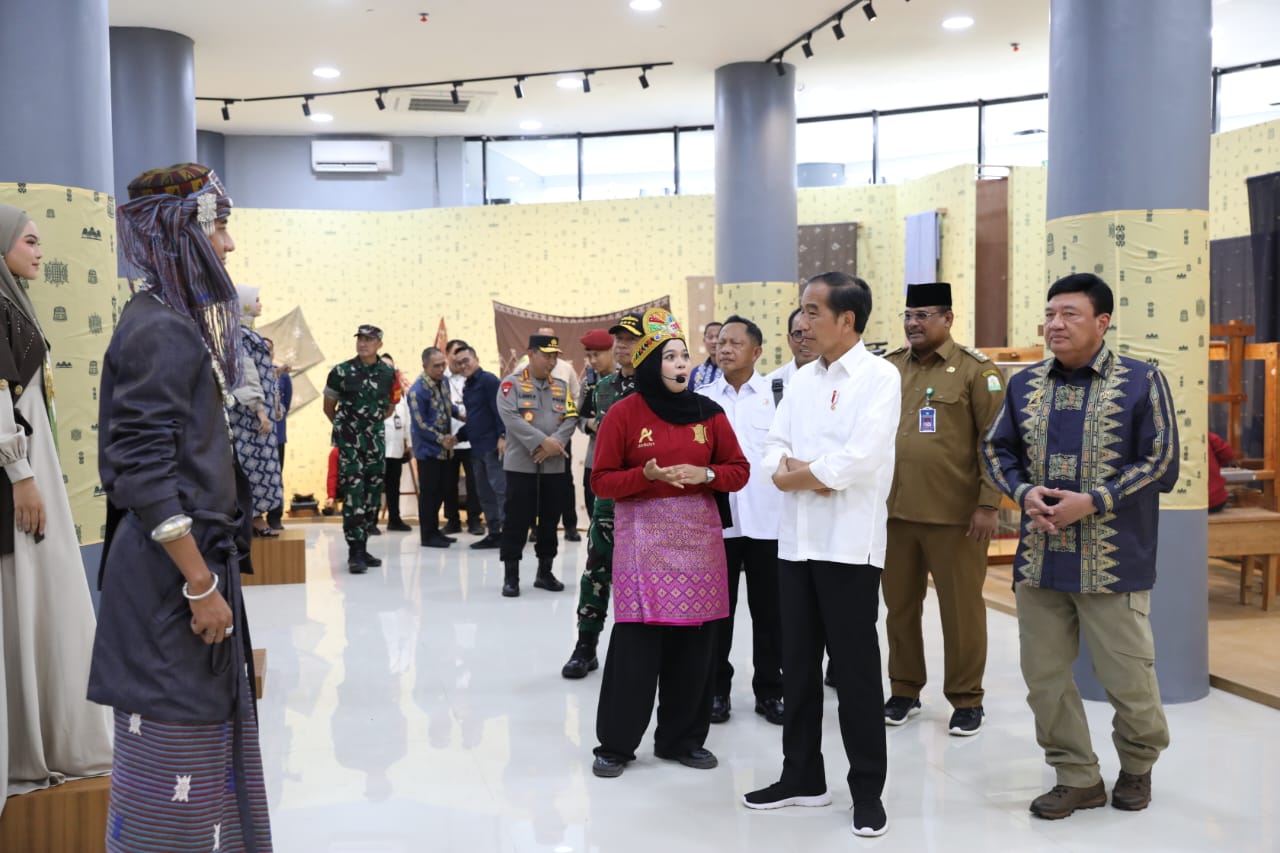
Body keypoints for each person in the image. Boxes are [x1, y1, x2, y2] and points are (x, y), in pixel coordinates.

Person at [91, 162, 273, 850]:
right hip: (173, 585)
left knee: (205, 761)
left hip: (191, 577)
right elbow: (140, 469)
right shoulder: (158, 328)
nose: (227, 245)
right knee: (174, 766)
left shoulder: (172, 322)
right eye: (218, 226)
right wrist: (200, 582)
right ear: (180, 232)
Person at [982, 272, 1179, 820]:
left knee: (1129, 676)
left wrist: (1093, 501)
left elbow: (1161, 462)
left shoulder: (1142, 380)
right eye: (1049, 314)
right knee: (1044, 678)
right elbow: (996, 451)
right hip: (1039, 559)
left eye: (1069, 314)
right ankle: (1076, 776)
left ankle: (1137, 766)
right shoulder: (1024, 385)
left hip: (1113, 560)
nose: (1054, 324)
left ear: (1102, 322)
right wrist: (1023, 493)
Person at [745, 271, 900, 839]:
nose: (802, 323)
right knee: (799, 666)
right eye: (801, 312)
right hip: (796, 544)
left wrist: (798, 476)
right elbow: (773, 449)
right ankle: (802, 777)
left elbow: (857, 460)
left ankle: (867, 792)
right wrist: (799, 476)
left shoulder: (880, 378)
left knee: (856, 675)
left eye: (812, 312)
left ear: (846, 320)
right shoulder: (800, 379)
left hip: (848, 548)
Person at [589, 308, 749, 779]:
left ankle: (681, 739)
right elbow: (601, 481)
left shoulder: (709, 414)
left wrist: (708, 474)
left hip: (700, 542)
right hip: (643, 539)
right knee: (637, 644)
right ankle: (616, 745)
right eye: (671, 357)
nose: (682, 365)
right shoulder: (624, 413)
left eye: (685, 357)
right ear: (650, 363)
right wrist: (645, 475)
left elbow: (739, 470)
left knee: (694, 645)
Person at [0, 205, 112, 816]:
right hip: (21, 476)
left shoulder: (14, 301)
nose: (40, 252)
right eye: (30, 241)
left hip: (33, 467)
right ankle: (29, 744)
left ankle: (49, 731)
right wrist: (21, 476)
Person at [881, 282, 1006, 735]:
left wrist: (988, 504)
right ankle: (904, 689)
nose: (913, 323)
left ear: (948, 319)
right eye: (908, 315)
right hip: (894, 514)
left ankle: (967, 699)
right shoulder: (889, 368)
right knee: (898, 608)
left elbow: (995, 442)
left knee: (960, 610)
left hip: (956, 516)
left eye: (924, 315)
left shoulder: (976, 371)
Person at [697, 315, 784, 726]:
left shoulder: (778, 395)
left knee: (771, 614)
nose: (725, 349)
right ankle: (716, 690)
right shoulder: (702, 399)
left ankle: (771, 691)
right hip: (719, 523)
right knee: (718, 613)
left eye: (735, 342)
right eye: (721, 343)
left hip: (770, 523)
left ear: (757, 351)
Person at [561, 313, 641, 679]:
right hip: (610, 493)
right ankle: (586, 645)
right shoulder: (603, 387)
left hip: (647, 494)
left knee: (644, 573)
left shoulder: (659, 387)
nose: (623, 346)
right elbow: (583, 418)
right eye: (619, 340)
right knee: (597, 567)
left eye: (630, 339)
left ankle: (639, 649)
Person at [496, 334, 578, 596]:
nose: (552, 361)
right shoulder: (512, 385)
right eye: (547, 355)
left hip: (553, 467)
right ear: (531, 354)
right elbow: (510, 417)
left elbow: (570, 417)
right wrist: (542, 442)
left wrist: (555, 443)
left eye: (555, 355)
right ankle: (511, 576)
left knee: (550, 520)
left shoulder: (562, 387)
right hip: (522, 466)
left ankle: (545, 572)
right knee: (516, 521)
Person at [324, 325, 397, 573]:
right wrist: (348, 429)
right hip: (349, 442)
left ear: (379, 344)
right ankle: (354, 551)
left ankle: (363, 545)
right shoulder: (341, 371)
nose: (363, 344)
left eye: (369, 340)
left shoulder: (388, 373)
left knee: (373, 491)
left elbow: (390, 407)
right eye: (360, 339)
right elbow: (328, 407)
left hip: (375, 441)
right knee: (354, 492)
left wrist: (370, 425)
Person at [228, 284, 284, 539]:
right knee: (254, 468)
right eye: (257, 300)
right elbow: (245, 376)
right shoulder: (238, 335)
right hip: (249, 419)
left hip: (256, 415)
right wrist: (260, 411)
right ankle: (255, 518)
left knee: (263, 467)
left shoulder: (246, 332)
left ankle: (256, 517)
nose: (260, 304)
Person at [455, 346, 507, 550]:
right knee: (484, 493)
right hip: (476, 448)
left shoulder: (488, 381)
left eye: (466, 360)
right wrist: (457, 436)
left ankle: (508, 533)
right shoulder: (468, 387)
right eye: (459, 363)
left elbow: (500, 410)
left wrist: (503, 435)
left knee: (500, 491)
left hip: (493, 447)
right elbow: (474, 419)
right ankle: (494, 533)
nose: (463, 365)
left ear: (476, 358)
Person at [408, 346, 461, 548]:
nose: (441, 369)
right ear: (425, 366)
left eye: (443, 365)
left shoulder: (444, 382)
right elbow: (420, 425)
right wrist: (442, 439)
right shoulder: (417, 391)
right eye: (436, 366)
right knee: (429, 494)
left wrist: (459, 414)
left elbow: (447, 406)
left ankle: (435, 531)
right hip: (428, 451)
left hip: (445, 449)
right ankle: (427, 535)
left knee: (442, 490)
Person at [443, 339, 483, 536]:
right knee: (448, 481)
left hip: (471, 438)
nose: (460, 362)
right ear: (448, 356)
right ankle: (452, 520)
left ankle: (475, 519)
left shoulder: (473, 377)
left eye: (463, 357)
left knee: (474, 481)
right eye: (455, 355)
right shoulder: (442, 379)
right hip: (450, 437)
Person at [577, 328, 615, 520]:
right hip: (595, 458)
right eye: (589, 355)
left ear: (611, 351)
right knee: (596, 517)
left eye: (597, 355)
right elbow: (579, 417)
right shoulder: (588, 384)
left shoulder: (627, 380)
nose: (592, 361)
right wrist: (590, 424)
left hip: (622, 462)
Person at [379, 353, 413, 533]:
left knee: (394, 486)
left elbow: (407, 420)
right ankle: (369, 522)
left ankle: (395, 519)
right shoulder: (372, 391)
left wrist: (409, 443)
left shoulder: (399, 393)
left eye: (390, 366)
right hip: (377, 448)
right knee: (375, 486)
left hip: (396, 448)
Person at [264, 338, 292, 531]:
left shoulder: (283, 377)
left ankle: (275, 516)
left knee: (276, 474)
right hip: (256, 434)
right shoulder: (249, 373)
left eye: (269, 349)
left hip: (277, 434)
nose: (266, 352)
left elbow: (287, 403)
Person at [765, 307, 818, 392]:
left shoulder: (838, 380)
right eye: (798, 334)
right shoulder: (768, 385)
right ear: (789, 340)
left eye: (812, 334)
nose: (805, 342)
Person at [689, 320, 723, 390]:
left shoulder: (733, 371)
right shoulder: (696, 372)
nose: (714, 341)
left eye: (718, 337)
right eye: (710, 337)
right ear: (704, 340)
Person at [1208, 431, 1236, 513]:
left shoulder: (1171, 437)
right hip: (1216, 501)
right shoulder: (1206, 435)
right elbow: (1228, 454)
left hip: (1185, 505)